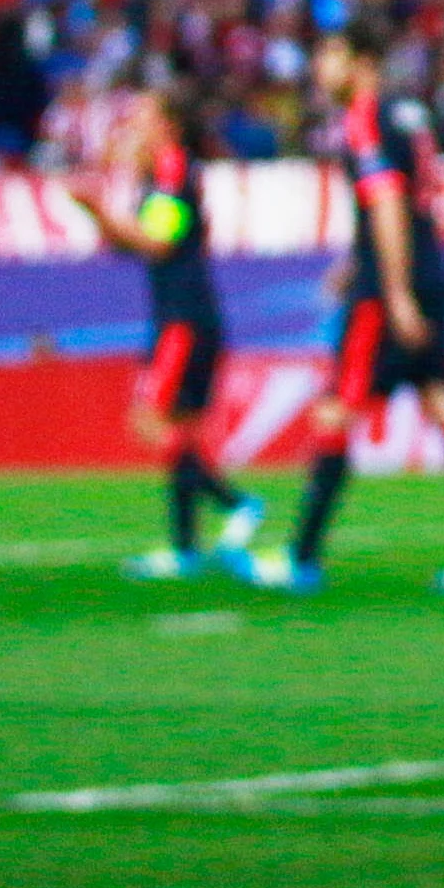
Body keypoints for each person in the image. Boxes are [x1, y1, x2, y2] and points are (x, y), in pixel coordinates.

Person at [272, 30, 444, 595]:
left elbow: (389, 203)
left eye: (329, 55)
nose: (319, 67)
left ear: (362, 62)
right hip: (432, 271)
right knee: (443, 402)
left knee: (336, 411)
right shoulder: (410, 114)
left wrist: (392, 291)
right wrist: (356, 263)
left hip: (389, 289)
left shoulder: (364, 118)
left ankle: (300, 558)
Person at [75, 86, 265, 582]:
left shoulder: (173, 169)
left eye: (141, 116)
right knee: (180, 430)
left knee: (149, 419)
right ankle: (184, 550)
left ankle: (238, 504)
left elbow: (157, 243)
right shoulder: (156, 177)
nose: (132, 124)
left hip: (184, 318)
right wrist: (102, 213)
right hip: (183, 313)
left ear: (167, 126)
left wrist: (97, 210)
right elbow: (138, 244)